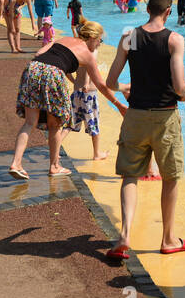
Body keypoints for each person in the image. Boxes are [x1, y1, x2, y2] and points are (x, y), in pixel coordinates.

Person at [104, 0, 185, 260]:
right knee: (170, 178)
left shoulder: (129, 37)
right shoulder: (175, 40)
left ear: (147, 9)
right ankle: (168, 239)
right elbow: (179, 88)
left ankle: (125, 235)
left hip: (136, 116)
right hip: (165, 117)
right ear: (168, 11)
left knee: (130, 175)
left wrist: (126, 87)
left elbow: (110, 83)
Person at [8, 20, 125, 179]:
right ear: (92, 37)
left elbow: (39, 53)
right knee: (55, 124)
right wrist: (118, 104)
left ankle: (16, 163)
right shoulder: (88, 56)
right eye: (99, 41)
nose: (99, 45)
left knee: (29, 122)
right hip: (54, 73)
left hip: (33, 68)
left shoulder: (62, 40)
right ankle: (54, 166)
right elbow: (102, 85)